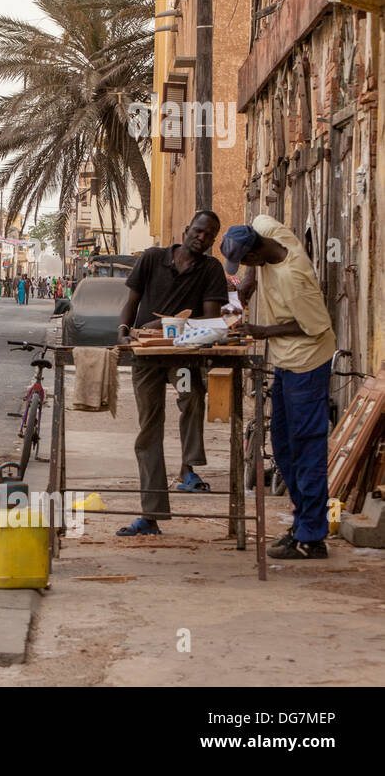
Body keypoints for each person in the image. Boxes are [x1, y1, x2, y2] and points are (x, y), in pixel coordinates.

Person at [223, 218, 336, 560]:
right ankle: (303, 522)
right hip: (287, 363)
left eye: (246, 263)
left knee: (306, 447)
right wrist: (248, 280)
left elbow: (314, 327)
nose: (245, 268)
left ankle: (312, 536)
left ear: (257, 254)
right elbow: (258, 218)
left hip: (308, 362)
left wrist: (262, 330)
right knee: (282, 443)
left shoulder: (294, 277)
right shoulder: (267, 230)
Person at [115, 211, 228, 536]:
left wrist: (165, 325)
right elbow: (131, 302)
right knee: (149, 432)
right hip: (148, 358)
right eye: (199, 231)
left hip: (183, 357)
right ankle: (150, 517)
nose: (202, 238)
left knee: (192, 395)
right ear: (186, 229)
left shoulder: (211, 270)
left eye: (210, 235)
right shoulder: (152, 259)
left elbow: (209, 324)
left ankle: (188, 468)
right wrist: (124, 330)